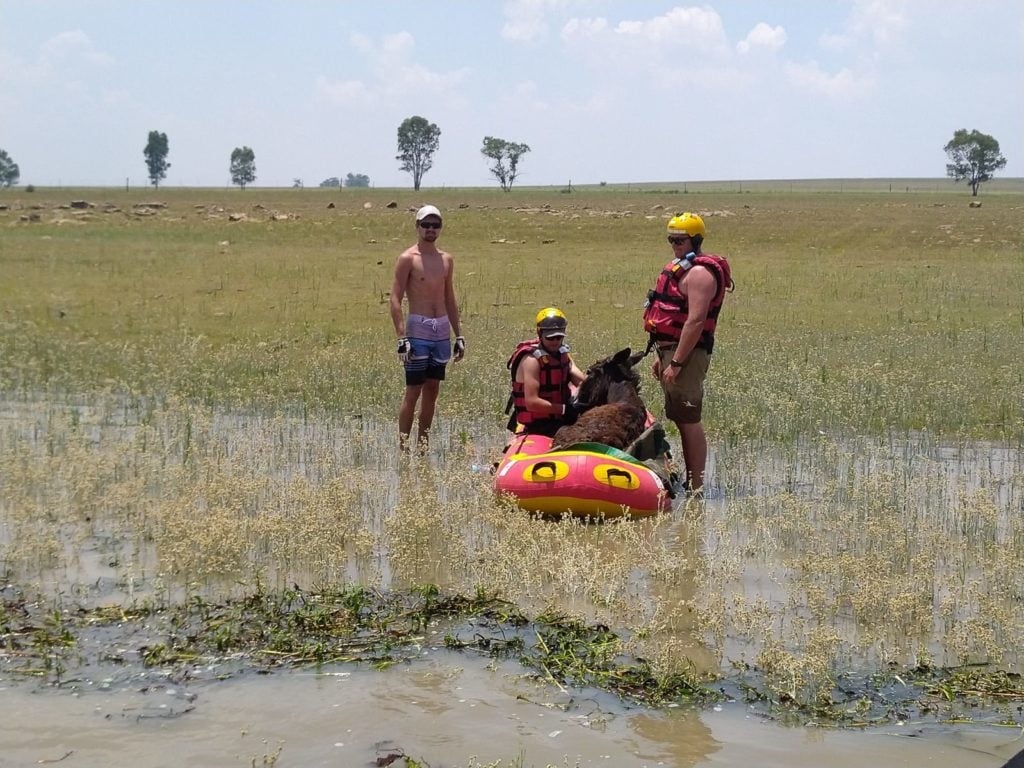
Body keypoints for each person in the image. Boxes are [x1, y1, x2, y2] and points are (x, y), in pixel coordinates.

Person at [642, 212, 733, 492]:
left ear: (695, 239)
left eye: (680, 240)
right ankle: (691, 480)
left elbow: (694, 321)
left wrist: (678, 362)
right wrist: (662, 358)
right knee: (679, 418)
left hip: (688, 357)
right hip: (671, 352)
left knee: (689, 419)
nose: (674, 245)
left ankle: (696, 486)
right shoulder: (680, 269)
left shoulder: (700, 274)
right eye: (671, 239)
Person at [390, 204, 465, 451]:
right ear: (417, 227)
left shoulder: (446, 259)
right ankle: (403, 447)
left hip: (441, 331)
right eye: (426, 225)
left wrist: (459, 334)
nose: (431, 229)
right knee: (414, 389)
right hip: (418, 330)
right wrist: (402, 337)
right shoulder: (408, 258)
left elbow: (450, 298)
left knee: (433, 390)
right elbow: (395, 299)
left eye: (436, 225)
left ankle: (423, 445)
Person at [506, 307, 586, 437]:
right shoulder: (531, 361)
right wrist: (565, 409)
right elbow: (532, 402)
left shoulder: (563, 354)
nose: (555, 342)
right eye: (550, 338)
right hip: (539, 424)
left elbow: (581, 381)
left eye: (559, 337)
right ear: (540, 334)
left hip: (560, 417)